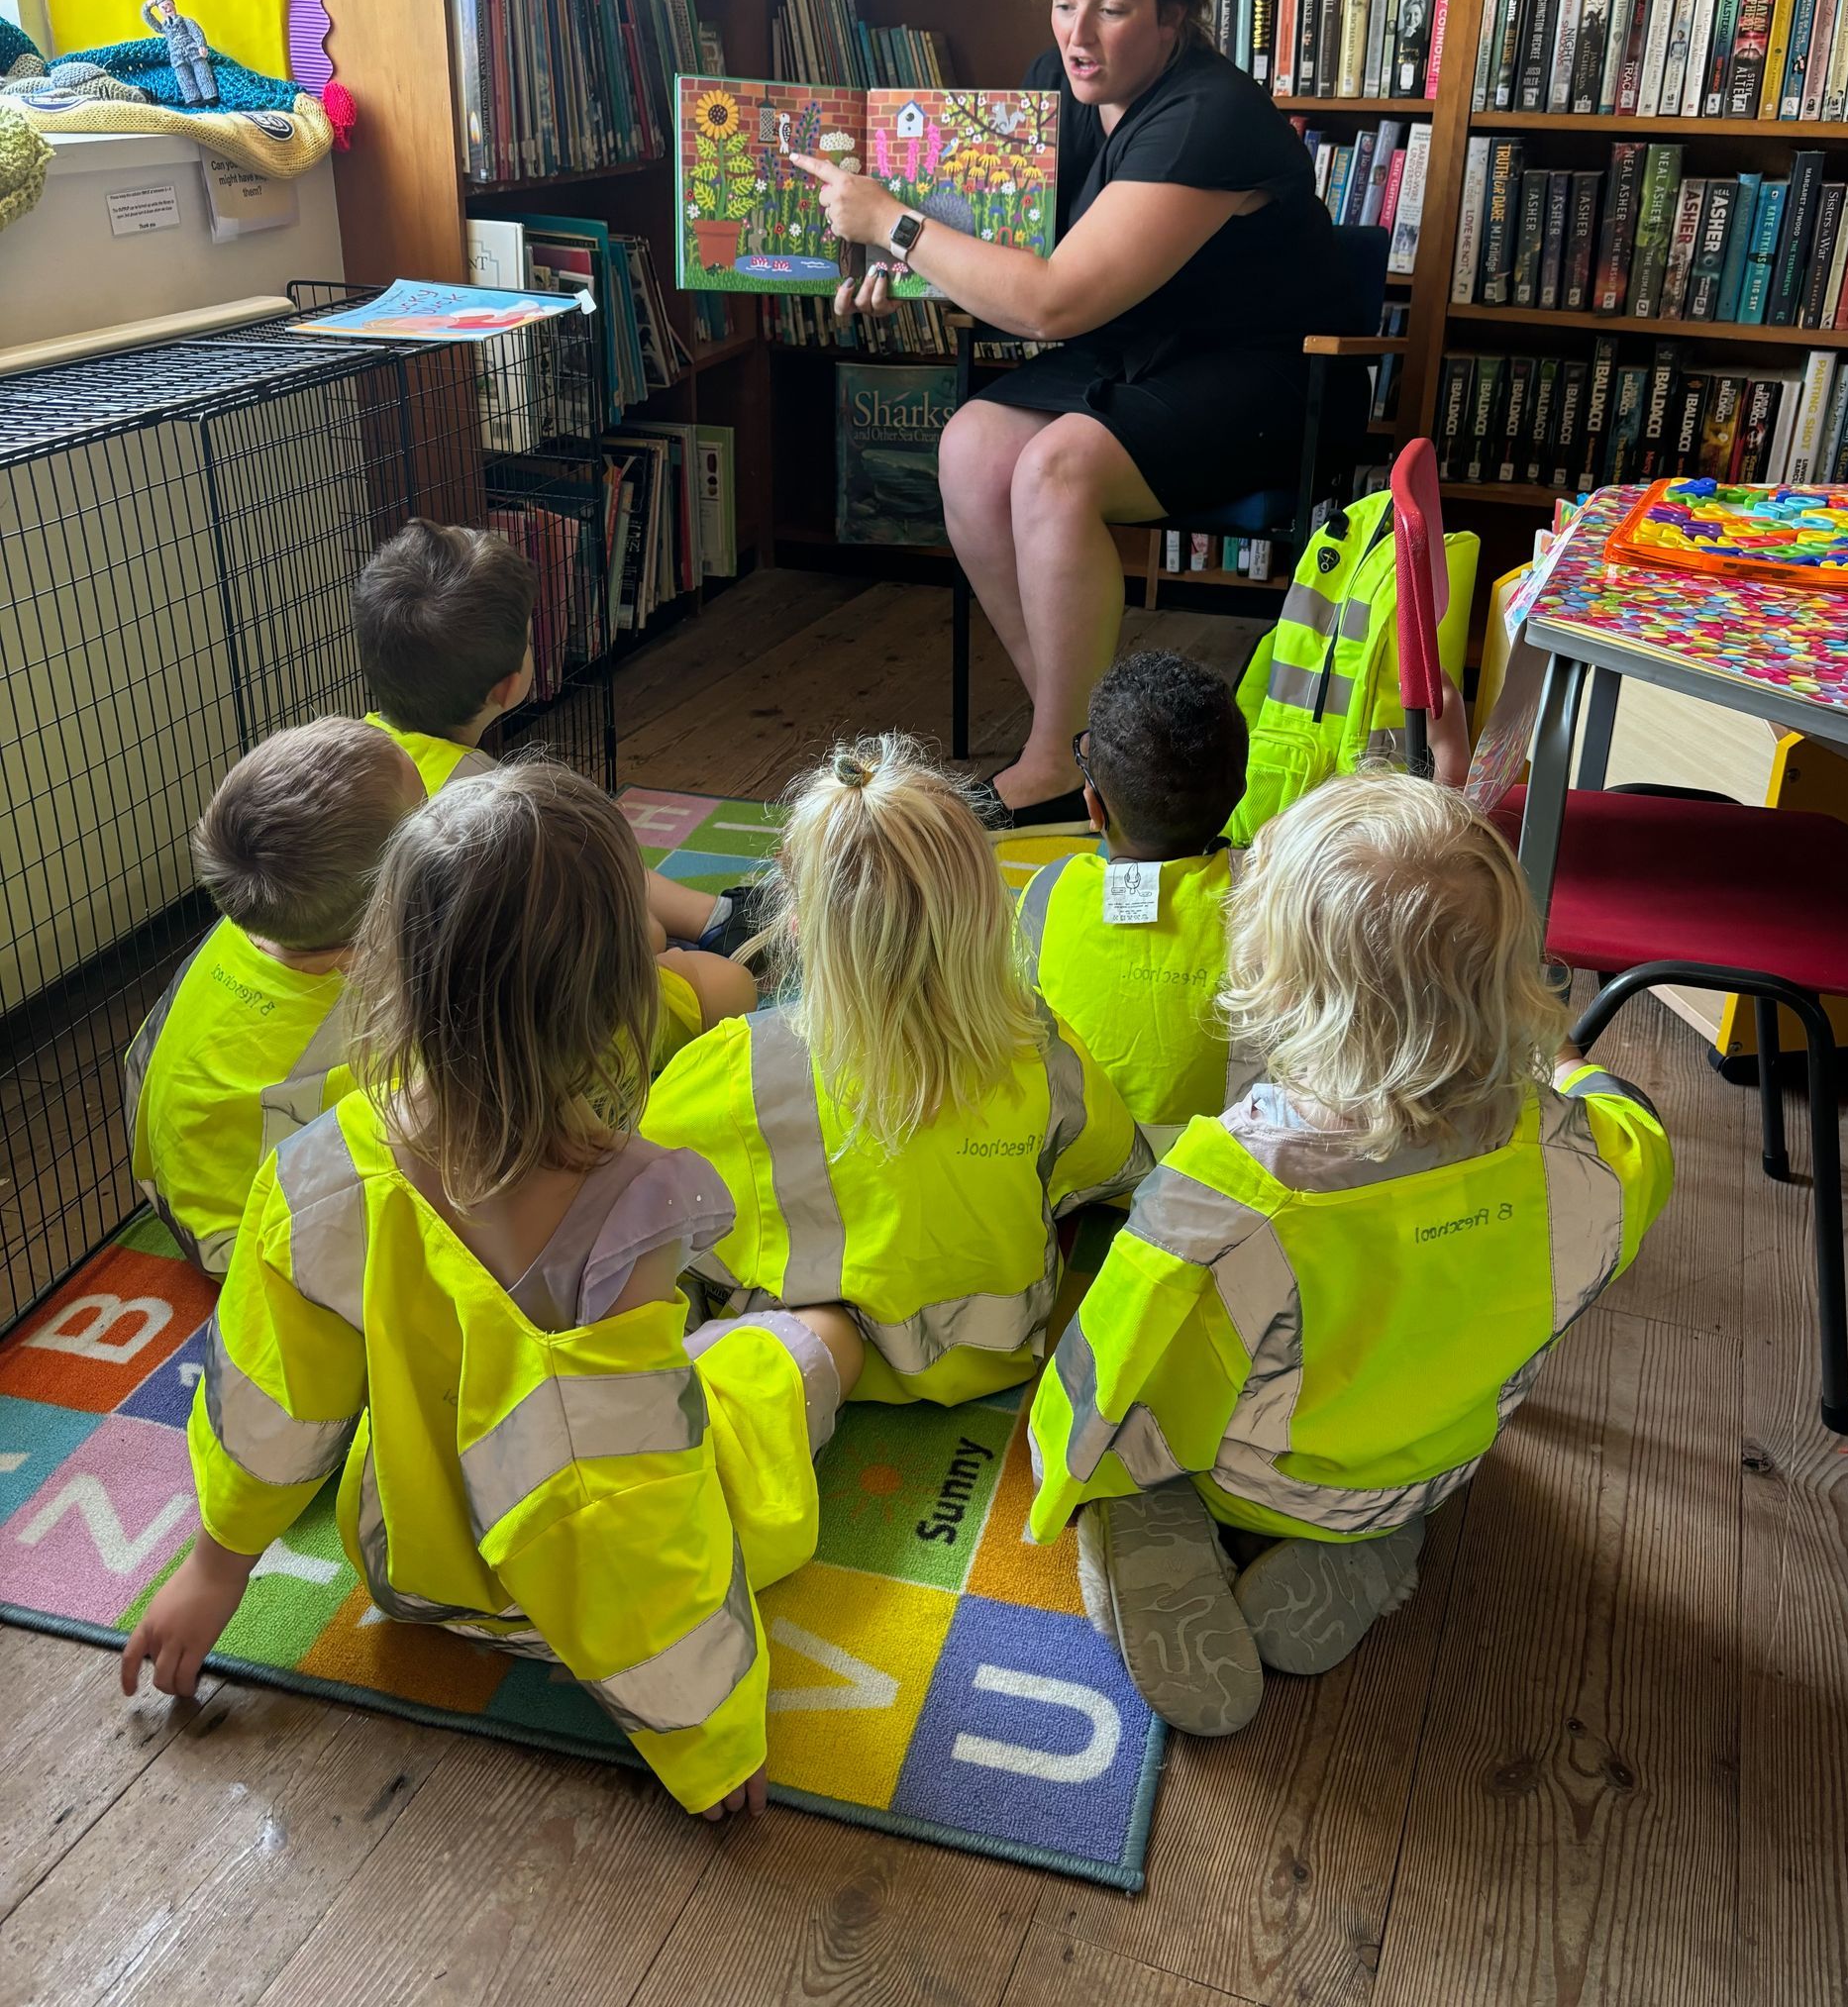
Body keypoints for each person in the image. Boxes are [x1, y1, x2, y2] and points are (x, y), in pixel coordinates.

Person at [120, 761, 864, 1825]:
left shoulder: (325, 1168)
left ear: (394, 967)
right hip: (558, 1599)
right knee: (816, 1339)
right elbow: (634, 1506)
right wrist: (708, 1725)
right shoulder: (638, 1200)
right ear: (619, 984)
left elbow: (274, 1397)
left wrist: (213, 1568)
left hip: (411, 1565)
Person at [1025, 772, 1674, 1735]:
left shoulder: (1234, 1187)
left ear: (1284, 987)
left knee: (1140, 1431)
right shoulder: (1590, 1163)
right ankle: (1371, 1544)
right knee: (1395, 1457)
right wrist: (1572, 1072)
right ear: (1510, 978)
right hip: (1426, 1459)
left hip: (1246, 1469)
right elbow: (1641, 1131)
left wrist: (1069, 1475)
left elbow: (1112, 1361)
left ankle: (1144, 1526)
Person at [791, 0, 1336, 826]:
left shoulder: (1211, 113)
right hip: (1125, 359)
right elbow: (995, 239)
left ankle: (1055, 764)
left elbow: (1051, 301)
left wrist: (896, 223)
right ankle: (1102, 750)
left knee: (1053, 469)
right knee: (968, 444)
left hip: (1251, 378)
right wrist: (895, 262)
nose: (1079, 33)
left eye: (1113, 7)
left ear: (1173, 14)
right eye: (1063, 0)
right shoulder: (1063, 82)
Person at [642, 736, 1152, 1406]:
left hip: (806, 1341)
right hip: (995, 1353)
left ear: (801, 919)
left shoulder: (734, 1064)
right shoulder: (1037, 1042)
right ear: (982, 909)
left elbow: (642, 1197)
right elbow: (1111, 1164)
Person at [352, 519, 756, 1038]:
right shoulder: (494, 804)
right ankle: (721, 923)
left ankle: (714, 917)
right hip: (516, 1013)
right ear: (510, 686)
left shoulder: (355, 755)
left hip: (421, 985)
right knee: (690, 959)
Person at [125, 719, 423, 1277]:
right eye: (426, 809)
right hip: (255, 1256)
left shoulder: (244, 929)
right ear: (391, 895)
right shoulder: (378, 1008)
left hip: (171, 1193)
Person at [1017, 651, 1253, 1149]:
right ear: (1239, 793)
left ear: (1092, 805)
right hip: (1218, 1171)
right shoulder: (1272, 901)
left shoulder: (1047, 892)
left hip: (1075, 1162)